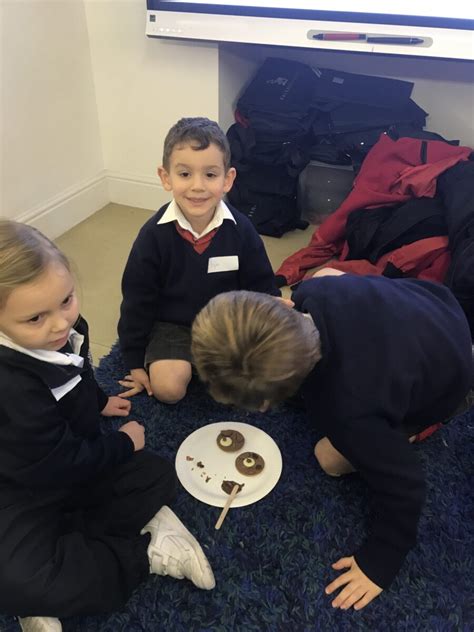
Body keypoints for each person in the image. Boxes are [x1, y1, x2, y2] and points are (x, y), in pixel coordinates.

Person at [191, 270, 473, 611]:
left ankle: (418, 426)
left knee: (328, 457)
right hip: (434, 302)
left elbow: (406, 484)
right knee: (328, 271)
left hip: (450, 377)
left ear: (265, 406)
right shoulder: (315, 290)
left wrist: (380, 561)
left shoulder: (349, 412)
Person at [0, 221, 215, 632]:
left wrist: (97, 402)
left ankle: (57, 564)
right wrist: (120, 445)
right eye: (34, 318)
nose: (60, 324)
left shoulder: (64, 334)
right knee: (13, 579)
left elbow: (76, 372)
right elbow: (55, 465)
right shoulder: (11, 387)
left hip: (70, 464)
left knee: (156, 474)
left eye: (66, 300)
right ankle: (146, 553)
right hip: (24, 488)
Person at [117, 116, 279, 404]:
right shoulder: (153, 236)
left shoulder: (242, 231)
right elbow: (137, 300)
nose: (197, 186)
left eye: (210, 174)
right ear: (165, 177)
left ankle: (213, 364)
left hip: (225, 325)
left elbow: (261, 286)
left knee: (258, 380)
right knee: (168, 390)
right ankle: (187, 365)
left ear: (227, 179)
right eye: (184, 174)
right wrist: (133, 359)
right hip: (173, 327)